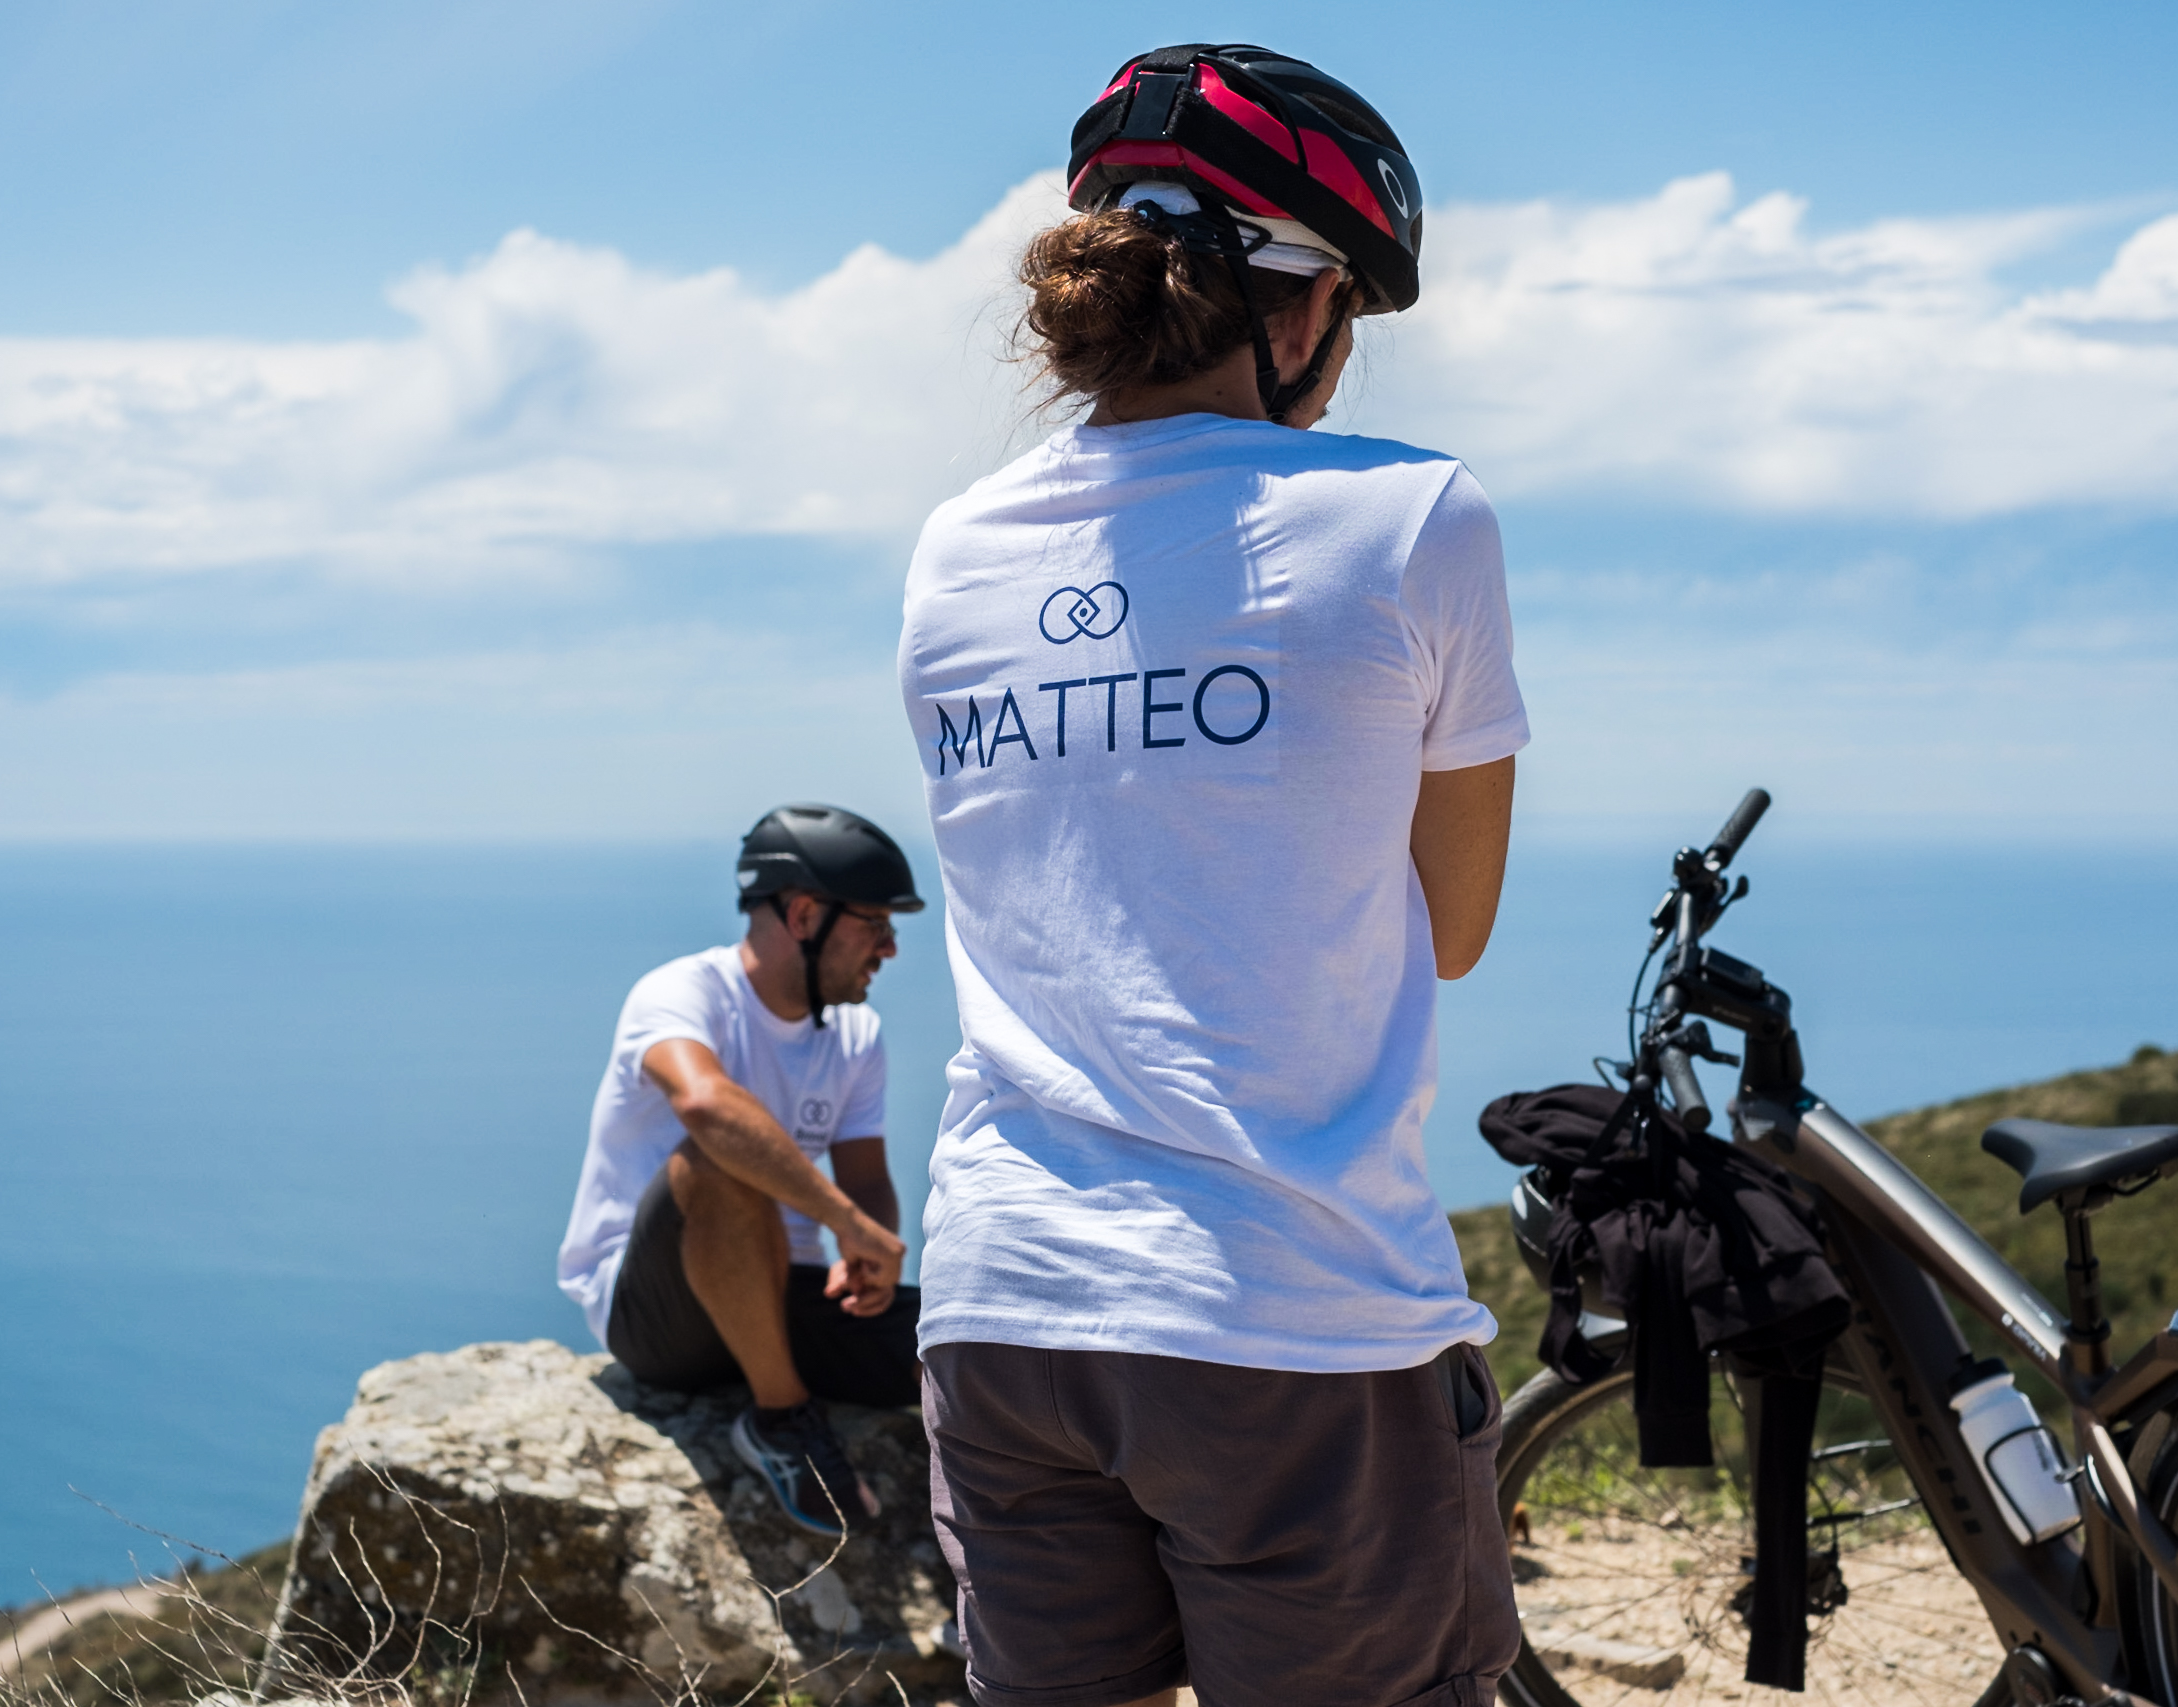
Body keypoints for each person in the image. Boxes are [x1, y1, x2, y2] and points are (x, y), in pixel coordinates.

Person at [895, 42, 1527, 1707]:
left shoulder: (955, 549)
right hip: (1287, 1309)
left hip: (1003, 1303)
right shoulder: (1412, 518)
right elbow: (1455, 923)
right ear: (1303, 310)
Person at [555, 804, 925, 1538]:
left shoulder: (856, 1034)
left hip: (785, 1295)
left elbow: (866, 1180)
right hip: (659, 1311)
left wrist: (867, 1253)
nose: (888, 948)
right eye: (875, 924)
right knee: (720, 1159)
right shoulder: (682, 993)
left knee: (973, 1348)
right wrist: (845, 1222)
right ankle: (781, 1420)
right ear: (804, 914)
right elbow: (703, 1102)